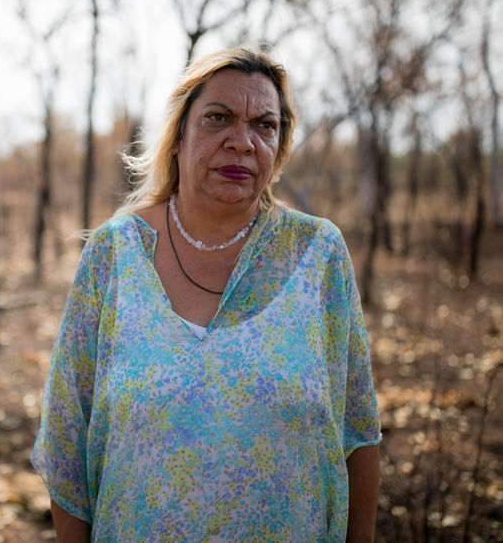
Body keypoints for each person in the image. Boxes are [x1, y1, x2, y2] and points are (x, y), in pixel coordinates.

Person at [32, 46, 381, 542]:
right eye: (218, 118)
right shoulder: (114, 253)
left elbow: (358, 434)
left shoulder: (318, 253)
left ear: (279, 146)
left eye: (264, 125)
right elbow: (67, 440)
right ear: (178, 137)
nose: (242, 142)